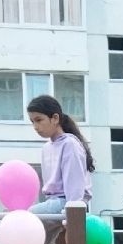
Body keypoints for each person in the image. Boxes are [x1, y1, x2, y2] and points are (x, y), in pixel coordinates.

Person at [28, 92, 94, 220]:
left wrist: (72, 216)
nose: (35, 127)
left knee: (27, 216)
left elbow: (75, 187)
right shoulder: (46, 148)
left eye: (39, 120)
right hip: (52, 203)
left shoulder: (69, 144)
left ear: (55, 118)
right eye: (32, 122)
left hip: (68, 205)